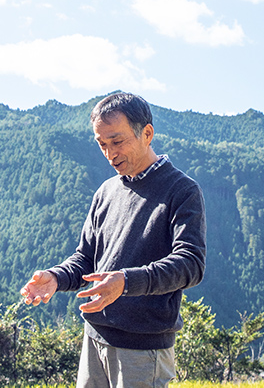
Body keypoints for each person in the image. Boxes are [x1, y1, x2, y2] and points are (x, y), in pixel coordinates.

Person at [20, 92, 206, 388]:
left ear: (147, 133)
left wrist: (126, 281)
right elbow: (86, 259)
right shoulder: (106, 192)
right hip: (94, 339)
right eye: (102, 144)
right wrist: (56, 278)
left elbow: (190, 265)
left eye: (117, 142)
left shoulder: (181, 191)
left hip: (143, 351)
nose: (110, 153)